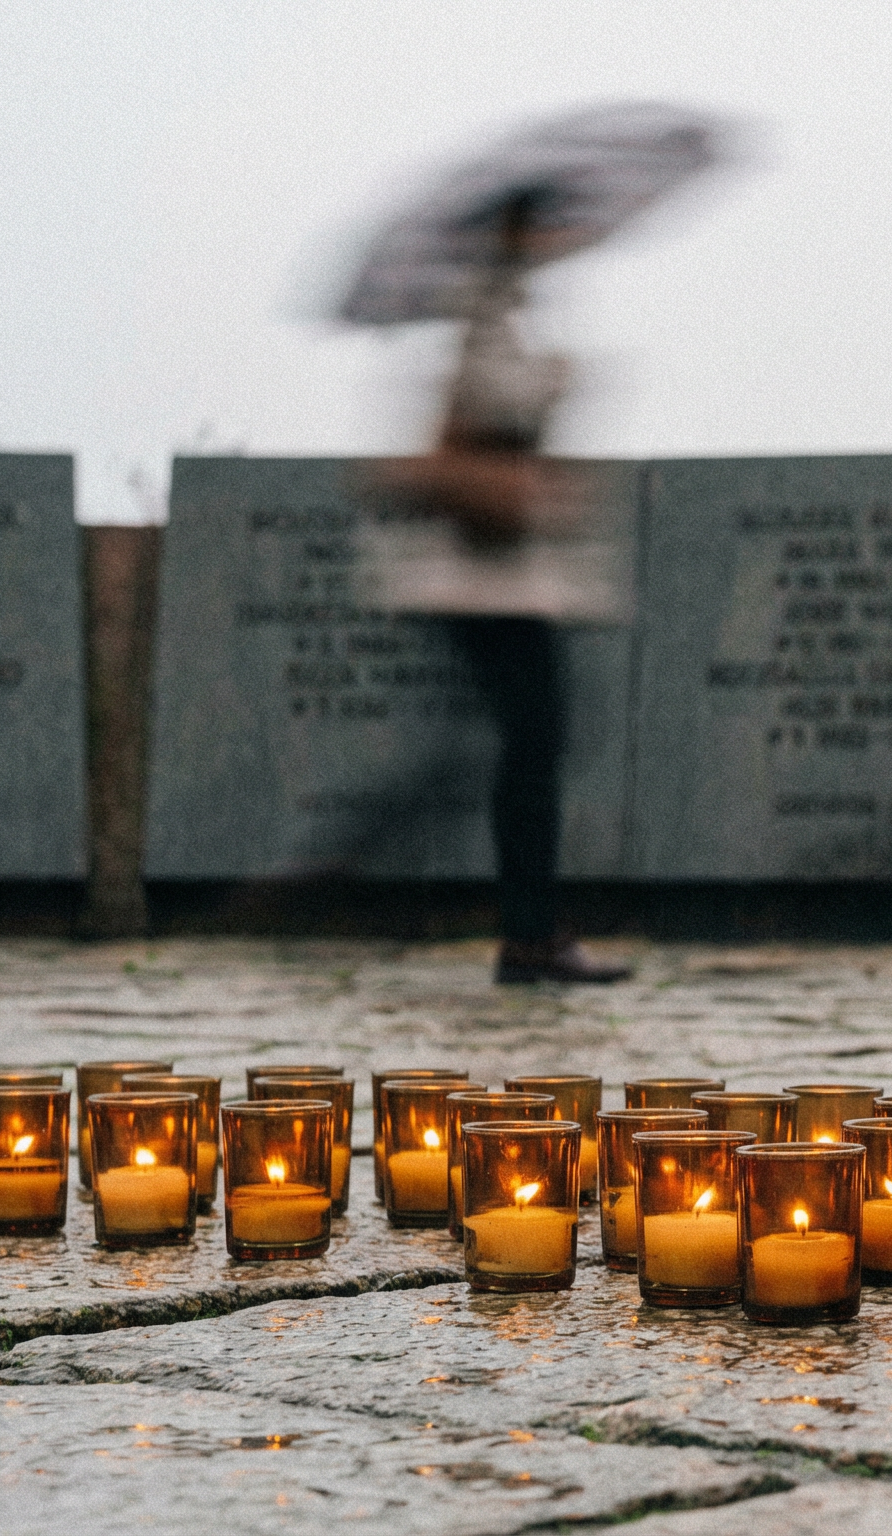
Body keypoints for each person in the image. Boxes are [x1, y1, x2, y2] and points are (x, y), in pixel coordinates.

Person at [367, 188, 628, 985]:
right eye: (546, 223)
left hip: (505, 577)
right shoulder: (482, 319)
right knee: (532, 746)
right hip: (485, 580)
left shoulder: (500, 316)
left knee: (520, 748)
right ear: (515, 233)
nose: (563, 236)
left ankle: (526, 931)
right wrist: (547, 395)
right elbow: (469, 434)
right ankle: (523, 936)